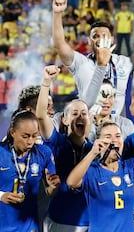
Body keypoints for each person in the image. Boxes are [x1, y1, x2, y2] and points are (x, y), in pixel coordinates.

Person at [66, 113, 134, 231]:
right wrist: (92, 153)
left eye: (118, 136)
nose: (114, 140)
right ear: (98, 141)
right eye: (108, 136)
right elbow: (71, 182)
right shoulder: (92, 171)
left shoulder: (130, 166)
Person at [52, 0, 132, 115]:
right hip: (88, 125)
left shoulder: (124, 62)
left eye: (104, 36)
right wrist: (57, 14)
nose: (100, 39)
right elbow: (60, 45)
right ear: (89, 41)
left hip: (114, 127)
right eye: (95, 36)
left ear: (112, 40)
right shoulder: (81, 63)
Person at [36, 65, 94, 232]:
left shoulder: (95, 149)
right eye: (75, 113)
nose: (80, 116)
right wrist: (46, 82)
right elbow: (40, 115)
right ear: (65, 120)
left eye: (84, 113)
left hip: (90, 222)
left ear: (90, 120)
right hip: (59, 221)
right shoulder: (57, 142)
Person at [0, 110, 60, 231]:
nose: (30, 141)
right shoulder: (1, 153)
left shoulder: (44, 153)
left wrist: (53, 187)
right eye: (25, 136)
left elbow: (50, 191)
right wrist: (1, 195)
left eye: (34, 136)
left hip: (30, 226)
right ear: (13, 132)